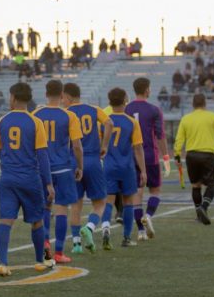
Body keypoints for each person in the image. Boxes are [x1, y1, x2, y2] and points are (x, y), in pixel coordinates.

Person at [0, 82, 54, 275]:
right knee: (37, 220)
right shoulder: (35, 122)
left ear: (13, 97)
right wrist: (49, 183)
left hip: (8, 178)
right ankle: (38, 261)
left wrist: (8, 163)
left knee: (5, 220)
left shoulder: (3, 120)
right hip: (30, 178)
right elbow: (42, 156)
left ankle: (3, 263)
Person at [33, 80, 83, 265]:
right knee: (61, 208)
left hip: (42, 168)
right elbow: (77, 146)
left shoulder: (36, 114)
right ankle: (59, 252)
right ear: (62, 94)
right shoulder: (69, 116)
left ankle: (45, 241)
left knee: (45, 207)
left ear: (46, 93)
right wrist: (80, 166)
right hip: (63, 168)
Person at [62, 82, 111, 254]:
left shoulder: (66, 113)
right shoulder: (94, 109)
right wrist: (104, 145)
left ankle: (76, 244)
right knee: (100, 202)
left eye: (63, 98)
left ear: (68, 96)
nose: (62, 101)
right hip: (93, 159)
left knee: (76, 205)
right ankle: (89, 227)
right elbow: (109, 123)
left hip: (73, 161)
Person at [125, 78, 170, 241]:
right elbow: (160, 135)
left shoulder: (127, 109)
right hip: (150, 155)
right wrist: (165, 157)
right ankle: (149, 215)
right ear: (147, 90)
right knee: (155, 190)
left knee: (137, 194)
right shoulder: (154, 110)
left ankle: (141, 231)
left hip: (131, 156)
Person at [101, 88, 147, 248]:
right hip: (126, 167)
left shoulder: (105, 121)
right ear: (125, 99)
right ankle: (126, 238)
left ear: (109, 102)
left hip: (108, 166)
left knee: (108, 200)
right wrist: (143, 170)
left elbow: (100, 145)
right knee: (128, 202)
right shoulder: (131, 122)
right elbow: (138, 148)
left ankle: (105, 227)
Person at [174, 93, 214, 226]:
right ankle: (203, 208)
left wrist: (177, 155)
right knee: (211, 185)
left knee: (195, 186)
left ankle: (199, 213)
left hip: (191, 156)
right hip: (207, 155)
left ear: (193, 104)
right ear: (205, 104)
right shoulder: (212, 116)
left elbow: (179, 139)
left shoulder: (186, 119)